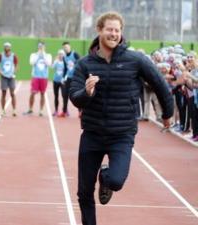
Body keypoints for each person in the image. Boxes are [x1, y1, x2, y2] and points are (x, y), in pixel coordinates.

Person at [69, 12, 173, 225]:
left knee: (116, 181)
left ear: (121, 33)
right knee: (84, 192)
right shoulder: (84, 64)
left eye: (117, 30)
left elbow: (160, 84)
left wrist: (167, 114)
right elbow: (74, 97)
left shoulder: (135, 60)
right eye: (109, 29)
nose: (113, 34)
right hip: (92, 134)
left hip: (121, 135)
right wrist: (86, 93)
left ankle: (106, 176)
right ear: (99, 30)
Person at [24, 42, 52, 116]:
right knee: (33, 93)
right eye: (40, 46)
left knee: (43, 93)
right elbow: (32, 62)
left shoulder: (48, 55)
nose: (41, 48)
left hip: (44, 77)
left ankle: (41, 110)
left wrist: (43, 55)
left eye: (42, 46)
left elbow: (49, 63)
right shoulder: (34, 55)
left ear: (44, 47)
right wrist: (38, 55)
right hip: (35, 76)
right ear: (38, 47)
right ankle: (30, 109)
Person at [0, 42, 18, 116]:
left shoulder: (14, 56)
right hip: (4, 76)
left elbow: (17, 65)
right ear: (4, 48)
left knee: (12, 93)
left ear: (10, 48)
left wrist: (14, 72)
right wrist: (0, 72)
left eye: (8, 47)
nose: (7, 48)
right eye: (6, 47)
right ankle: (3, 110)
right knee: (4, 93)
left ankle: (14, 110)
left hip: (11, 77)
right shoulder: (1, 55)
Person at [62, 41, 80, 117]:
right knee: (65, 94)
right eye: (64, 47)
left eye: (67, 47)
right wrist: (63, 77)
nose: (66, 48)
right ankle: (64, 111)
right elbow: (65, 68)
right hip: (68, 78)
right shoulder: (64, 57)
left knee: (78, 95)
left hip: (76, 78)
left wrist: (75, 63)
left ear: (69, 47)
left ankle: (80, 111)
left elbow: (81, 63)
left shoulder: (75, 54)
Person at [51, 49, 67, 117]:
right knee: (56, 96)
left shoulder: (65, 62)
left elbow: (67, 70)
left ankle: (65, 110)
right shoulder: (56, 62)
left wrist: (64, 78)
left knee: (64, 96)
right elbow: (52, 67)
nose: (61, 55)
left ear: (64, 55)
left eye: (62, 54)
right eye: (59, 54)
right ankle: (56, 110)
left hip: (63, 81)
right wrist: (55, 61)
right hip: (56, 80)